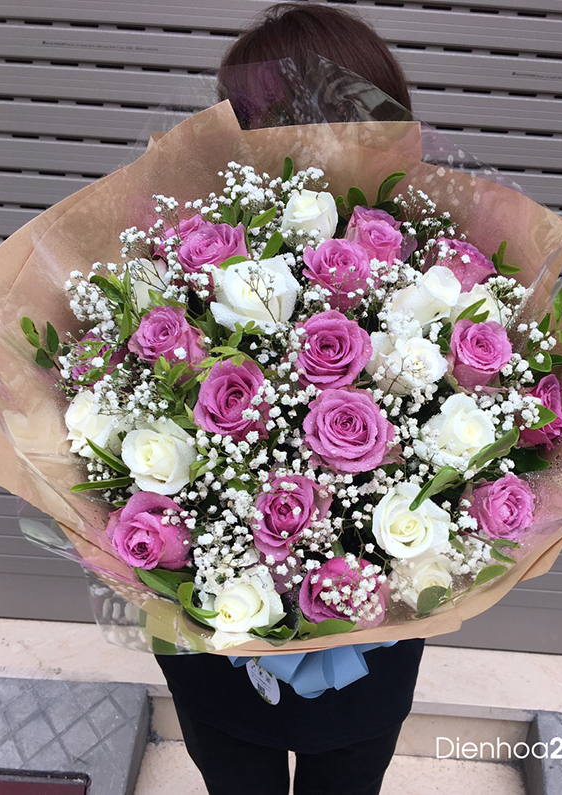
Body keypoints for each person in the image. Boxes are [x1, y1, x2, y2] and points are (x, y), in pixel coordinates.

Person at [155, 5, 425, 795]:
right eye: (234, 119)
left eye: (249, 120)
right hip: (215, 646)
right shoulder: (186, 263)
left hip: (365, 651)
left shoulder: (431, 276)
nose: (232, 136)